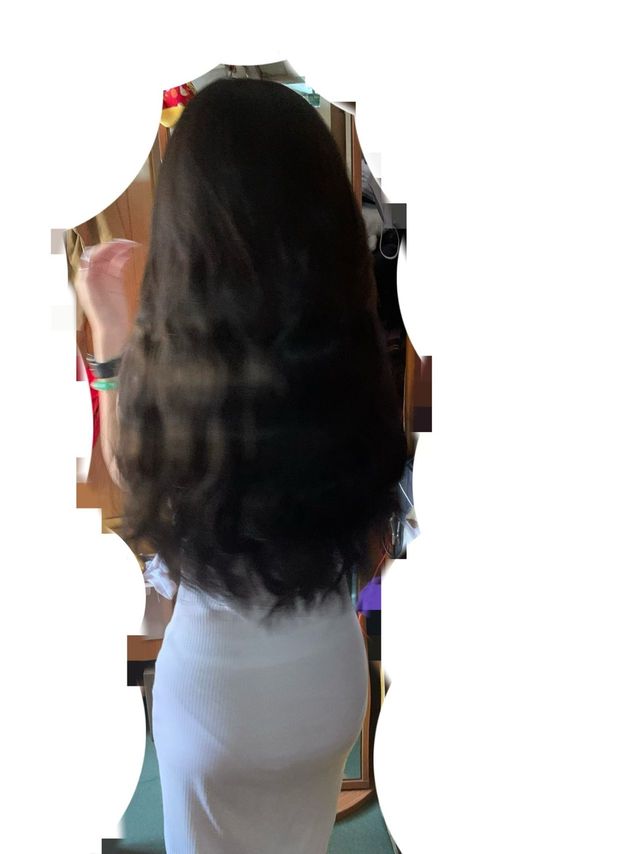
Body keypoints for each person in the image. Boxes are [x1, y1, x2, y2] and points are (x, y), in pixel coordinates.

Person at [75, 78, 407, 854]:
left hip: (216, 703)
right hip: (328, 685)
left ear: (188, 235)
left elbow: (133, 481)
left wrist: (113, 339)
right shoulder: (354, 361)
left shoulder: (176, 370)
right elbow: (373, 548)